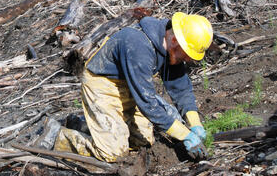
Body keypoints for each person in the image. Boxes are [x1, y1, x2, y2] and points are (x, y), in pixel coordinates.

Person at [37, 12, 213, 162]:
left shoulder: (171, 48)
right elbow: (147, 102)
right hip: (103, 85)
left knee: (143, 142)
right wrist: (184, 134)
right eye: (187, 54)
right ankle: (58, 136)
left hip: (130, 86)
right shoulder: (138, 44)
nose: (188, 59)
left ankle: (85, 126)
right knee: (113, 152)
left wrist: (195, 124)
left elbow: (181, 88)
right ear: (175, 40)